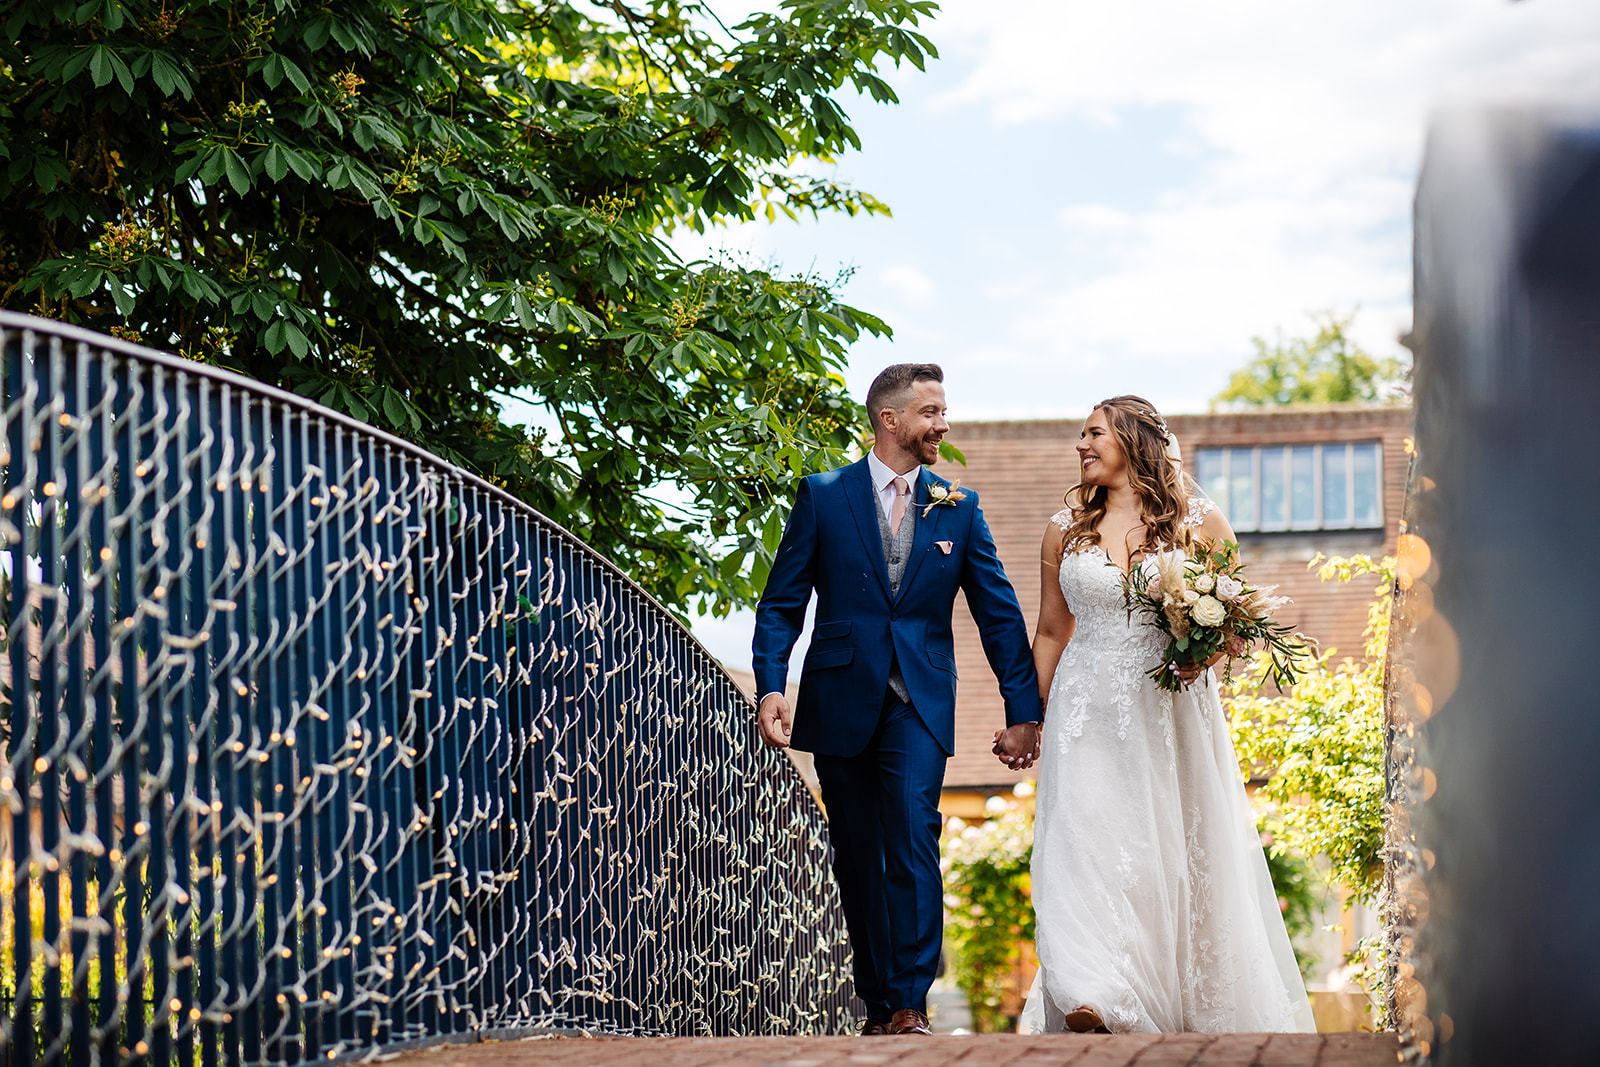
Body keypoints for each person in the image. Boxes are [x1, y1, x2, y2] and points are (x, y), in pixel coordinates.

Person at [1007, 395, 1316, 1035]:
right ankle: (1091, 991)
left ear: (1132, 440)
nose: (1081, 446)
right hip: (1085, 704)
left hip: (1168, 707)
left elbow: (1238, 618)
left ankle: (1163, 992)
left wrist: (1202, 655)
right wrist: (1027, 717)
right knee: (1082, 837)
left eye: (1093, 434)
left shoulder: (1198, 522)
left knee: (1164, 851)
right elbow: (1049, 630)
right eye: (1081, 436)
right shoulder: (1063, 528)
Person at [753, 363, 1043, 1036]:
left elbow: (998, 616)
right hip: (837, 697)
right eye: (932, 412)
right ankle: (879, 1001)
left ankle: (912, 1001)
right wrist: (772, 681)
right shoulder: (824, 496)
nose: (944, 424)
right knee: (856, 850)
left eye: (943, 411)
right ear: (891, 420)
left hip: (917, 700)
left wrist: (1021, 710)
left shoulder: (958, 507)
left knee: (913, 832)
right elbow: (783, 601)